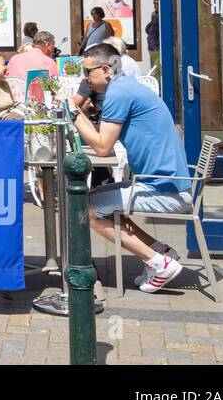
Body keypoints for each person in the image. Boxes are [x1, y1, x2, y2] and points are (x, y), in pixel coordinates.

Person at [71, 43, 193, 293]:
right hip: (165, 182)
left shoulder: (118, 93)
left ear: (105, 69)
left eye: (87, 73)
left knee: (87, 210)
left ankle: (159, 263)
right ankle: (159, 251)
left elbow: (103, 147)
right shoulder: (125, 86)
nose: (85, 80)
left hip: (165, 190)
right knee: (94, 199)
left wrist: (73, 113)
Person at [146, 0, 160, 76]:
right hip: (152, 48)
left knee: (157, 71)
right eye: (154, 3)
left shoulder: (162, 15)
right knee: (153, 70)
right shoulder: (154, 14)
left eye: (157, 3)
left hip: (157, 48)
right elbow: (149, 29)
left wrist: (156, 47)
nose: (155, 5)